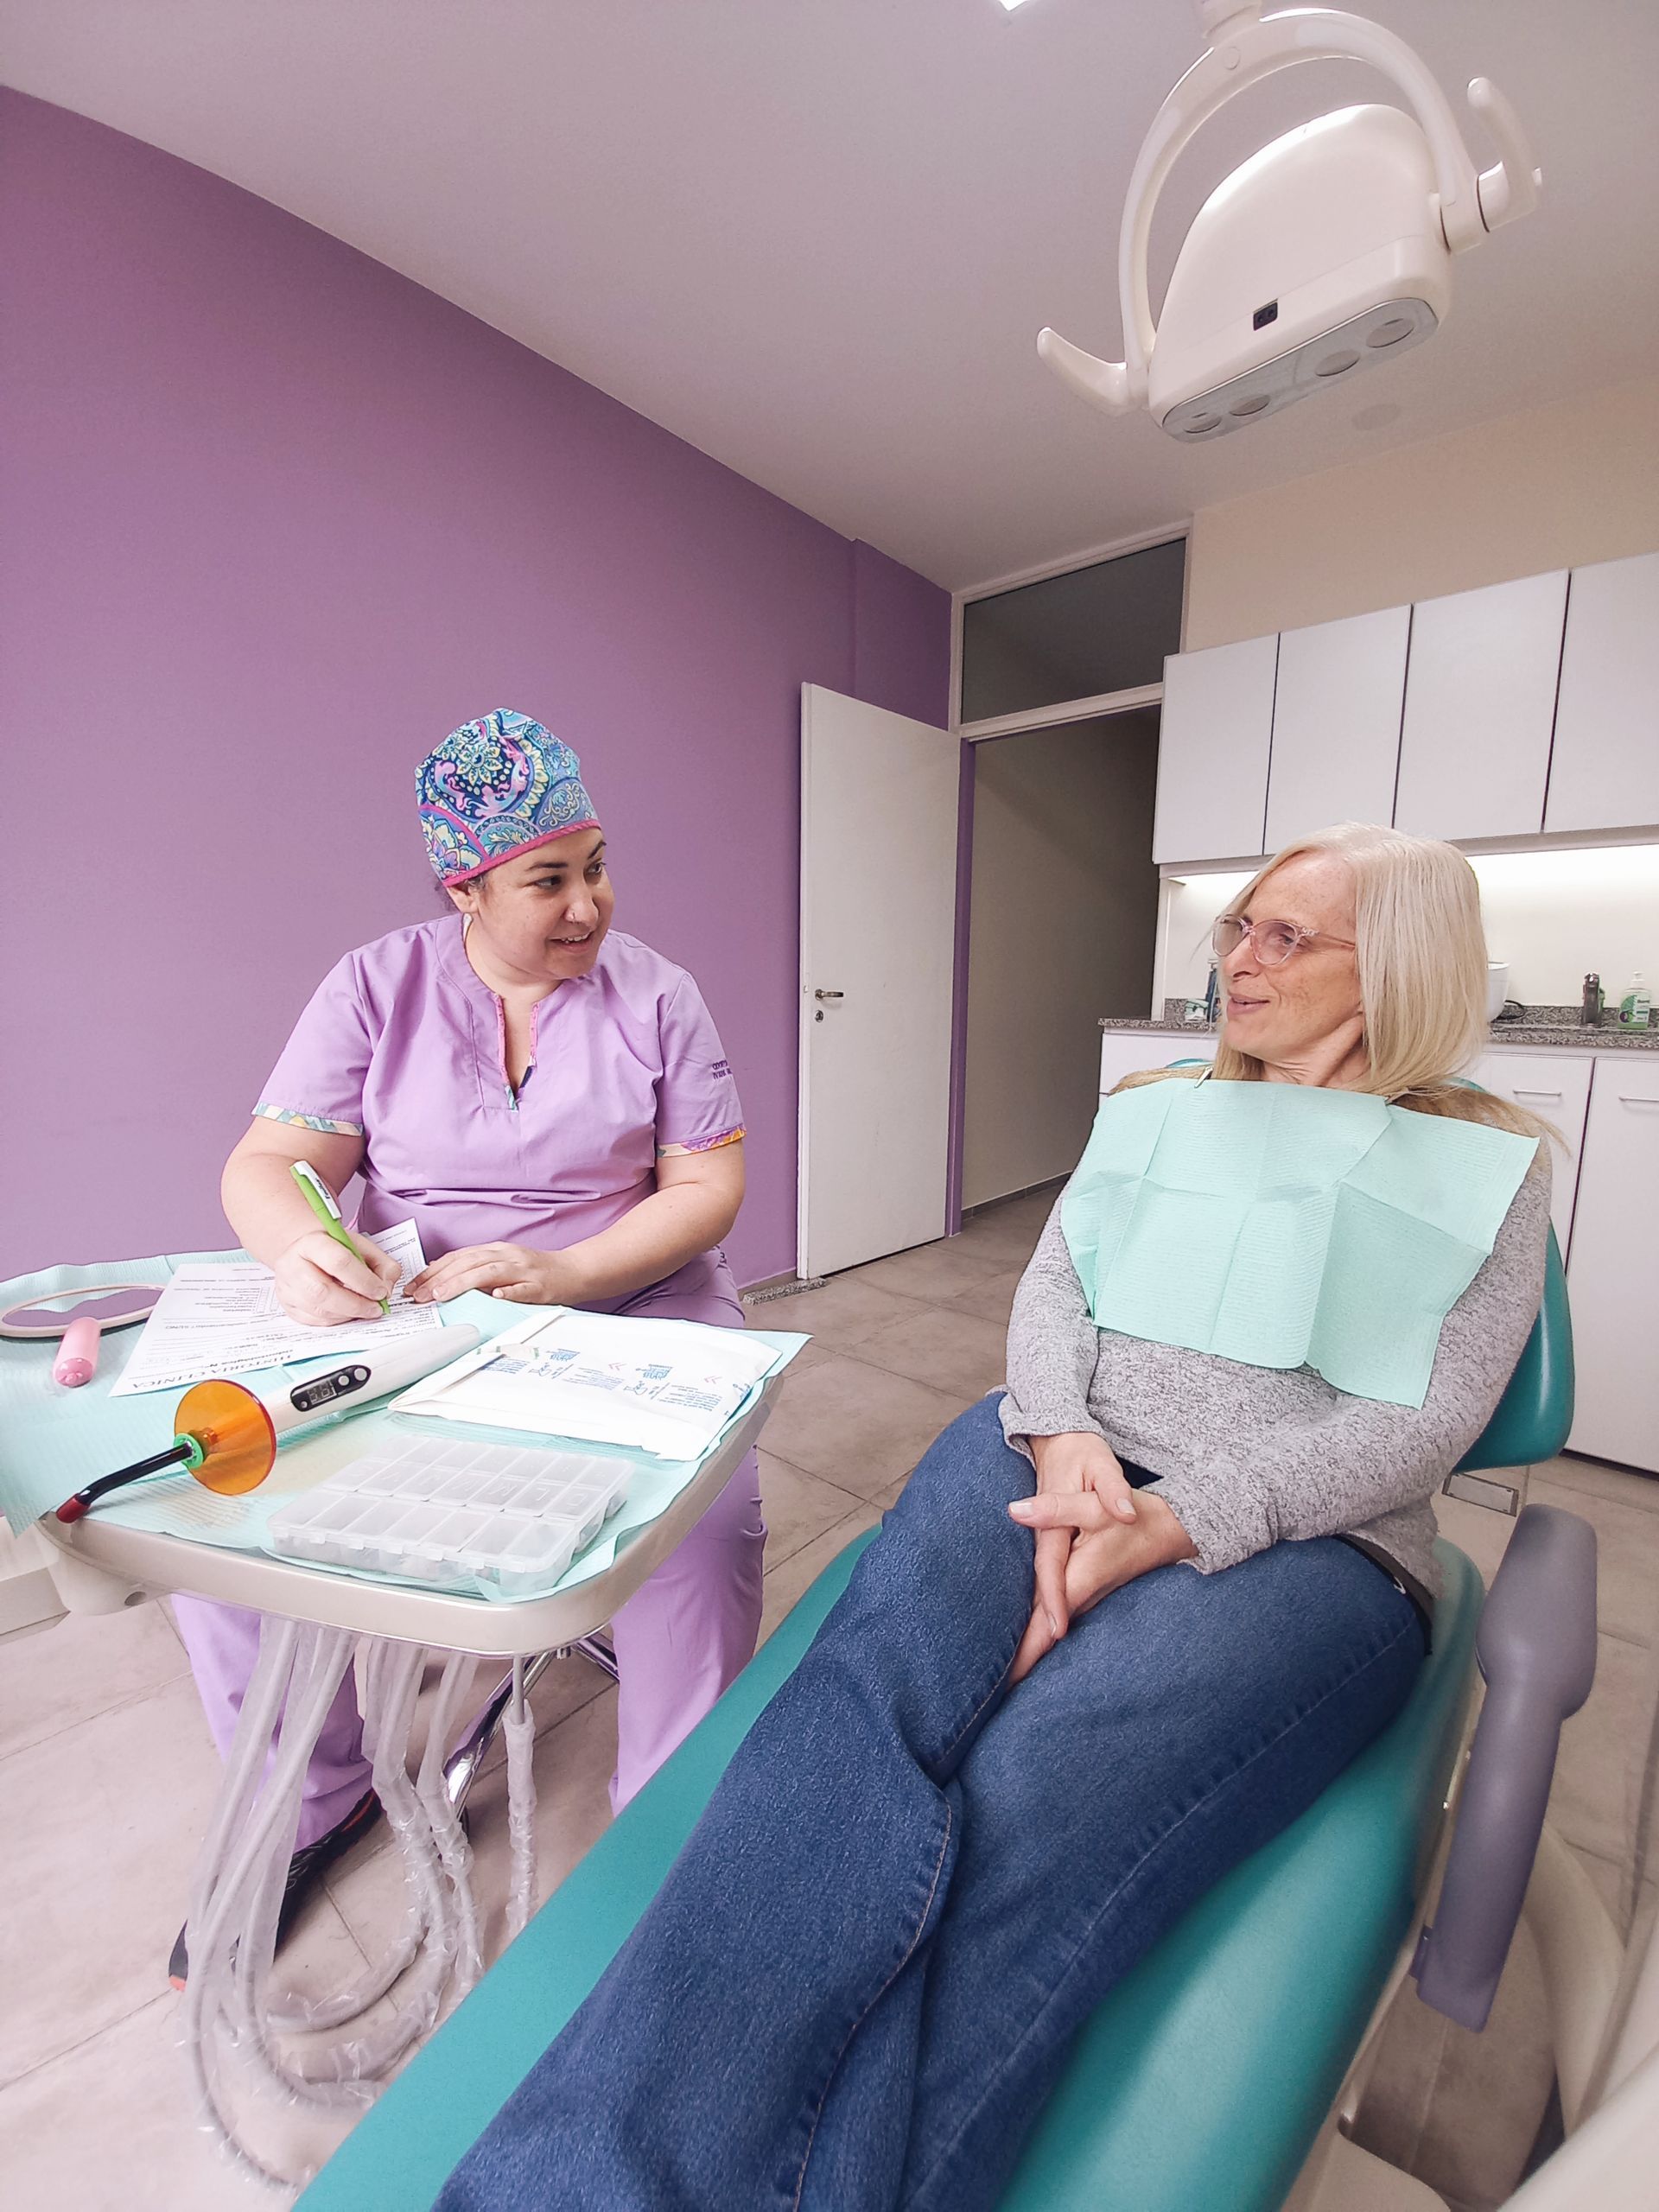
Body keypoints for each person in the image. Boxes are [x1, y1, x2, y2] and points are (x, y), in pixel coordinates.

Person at [435, 822, 1554, 2212]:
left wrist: (1180, 1519)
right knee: (853, 1725)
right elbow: (1051, 1295)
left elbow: (1423, 1425)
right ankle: (565, 2187)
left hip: (1310, 1545)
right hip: (1048, 1449)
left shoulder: (1487, 1170)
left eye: (1285, 935)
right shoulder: (1161, 1104)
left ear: (1393, 971)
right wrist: (1069, 1435)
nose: (1237, 959)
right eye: (1238, 926)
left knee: (1031, 1800)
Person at [169, 709, 762, 1984]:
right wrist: (300, 1251)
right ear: (465, 888)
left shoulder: (661, 996)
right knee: (213, 1510)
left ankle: (671, 1836)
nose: (590, 904)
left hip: (636, 1292)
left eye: (597, 865)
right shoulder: (374, 985)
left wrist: (567, 1274)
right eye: (550, 879)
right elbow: (271, 1163)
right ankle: (319, 1795)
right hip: (432, 1312)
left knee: (701, 1536)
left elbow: (705, 1191)